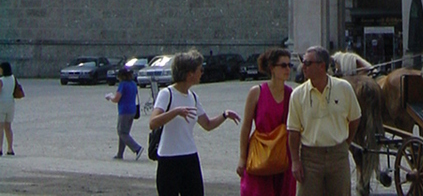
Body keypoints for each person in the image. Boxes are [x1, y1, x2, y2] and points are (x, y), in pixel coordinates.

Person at [149, 48, 240, 196]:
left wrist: (225, 115)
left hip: (190, 156)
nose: (202, 73)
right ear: (189, 74)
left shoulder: (193, 96)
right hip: (168, 158)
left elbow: (207, 125)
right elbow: (153, 122)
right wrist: (175, 112)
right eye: (200, 70)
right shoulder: (166, 94)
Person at [287, 45, 361, 196]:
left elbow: (355, 119)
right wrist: (295, 161)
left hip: (338, 157)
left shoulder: (344, 88)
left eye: (307, 63)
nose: (303, 67)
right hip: (310, 158)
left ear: (322, 66)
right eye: (303, 62)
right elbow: (293, 131)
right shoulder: (297, 95)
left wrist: (345, 144)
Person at [237, 48, 295, 196]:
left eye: (289, 65)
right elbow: (246, 126)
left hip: (284, 156)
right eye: (283, 65)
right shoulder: (256, 92)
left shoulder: (292, 95)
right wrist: (242, 158)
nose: (287, 69)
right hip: (260, 154)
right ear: (272, 68)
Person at [106, 66, 142, 160]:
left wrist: (110, 97)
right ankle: (120, 154)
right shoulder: (133, 84)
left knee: (122, 132)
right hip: (133, 110)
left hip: (124, 110)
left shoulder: (123, 85)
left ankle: (137, 148)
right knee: (124, 132)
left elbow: (116, 99)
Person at [0, 62, 16, 156]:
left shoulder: (1, 80)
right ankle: (10, 148)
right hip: (11, 103)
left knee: (0, 128)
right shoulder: (13, 78)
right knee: (8, 127)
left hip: (1, 104)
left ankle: (0, 148)